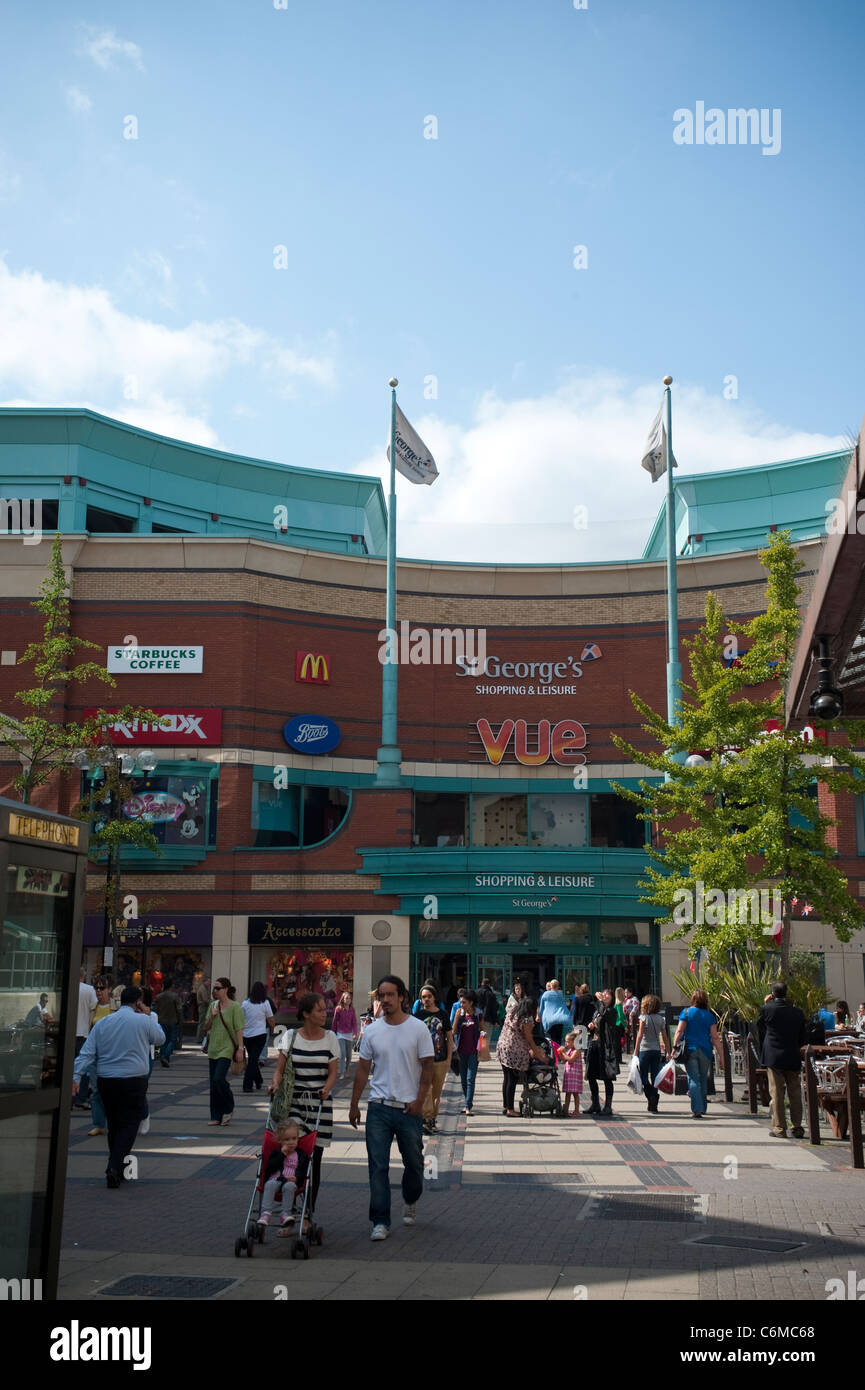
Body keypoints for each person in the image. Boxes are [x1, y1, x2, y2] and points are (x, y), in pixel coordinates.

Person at [348, 975, 434, 1241]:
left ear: (402, 998)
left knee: (414, 1163)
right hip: (379, 1107)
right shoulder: (372, 1030)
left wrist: (420, 1101)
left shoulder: (418, 1028)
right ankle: (380, 1221)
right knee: (378, 1167)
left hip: (409, 1108)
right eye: (380, 996)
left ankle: (410, 1197)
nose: (384, 1000)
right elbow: (363, 1070)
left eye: (389, 995)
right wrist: (354, 1105)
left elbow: (428, 1068)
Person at [72, 985, 165, 1188]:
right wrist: (149, 1015)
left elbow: (87, 1052)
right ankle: (114, 1167)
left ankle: (118, 1167)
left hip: (107, 1079)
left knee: (114, 1123)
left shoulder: (104, 1022)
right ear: (138, 1002)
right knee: (130, 1123)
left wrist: (76, 1076)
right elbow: (160, 1039)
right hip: (134, 1079)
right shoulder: (143, 1020)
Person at [268, 992, 338, 1221]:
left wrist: (327, 1089)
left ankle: (307, 1213)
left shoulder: (330, 1038)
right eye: (319, 1010)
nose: (324, 1013)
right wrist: (275, 1083)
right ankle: (288, 1209)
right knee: (292, 1155)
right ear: (306, 1014)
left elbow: (333, 1073)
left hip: (319, 1105)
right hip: (294, 1104)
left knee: (314, 1161)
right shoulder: (290, 1037)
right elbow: (280, 1069)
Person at [758, 982, 807, 1139]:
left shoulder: (767, 1009)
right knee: (795, 1093)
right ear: (786, 993)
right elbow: (803, 1037)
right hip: (792, 1056)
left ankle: (780, 1128)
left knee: (777, 1093)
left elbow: (759, 1026)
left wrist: (766, 1003)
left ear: (772, 994)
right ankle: (797, 1127)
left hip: (774, 1057)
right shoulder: (797, 1013)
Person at [673, 989, 725, 1119]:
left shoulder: (686, 1013)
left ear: (693, 999)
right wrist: (722, 1057)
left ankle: (697, 1109)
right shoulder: (709, 1016)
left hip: (690, 1049)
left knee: (693, 1079)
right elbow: (715, 1037)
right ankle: (703, 1107)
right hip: (706, 1050)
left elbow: (679, 1031)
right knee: (702, 1079)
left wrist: (674, 1047)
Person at [202, 977, 245, 1126]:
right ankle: (215, 1116)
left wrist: (240, 1048)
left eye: (218, 988)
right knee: (213, 1084)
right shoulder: (213, 1005)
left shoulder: (235, 1007)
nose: (215, 991)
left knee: (218, 1078)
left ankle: (229, 1106)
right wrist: (212, 1017)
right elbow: (206, 1028)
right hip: (213, 1047)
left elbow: (239, 1029)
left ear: (226, 989)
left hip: (227, 1048)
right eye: (214, 988)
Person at [496, 996, 548, 1116]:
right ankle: (510, 1109)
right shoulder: (526, 1019)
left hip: (503, 1046)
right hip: (514, 1050)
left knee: (507, 1077)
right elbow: (529, 1039)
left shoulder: (513, 1011)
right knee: (512, 1080)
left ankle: (506, 1106)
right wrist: (539, 1055)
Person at [257, 1120, 310, 1235]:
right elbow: (270, 1167)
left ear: (298, 1139)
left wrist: (297, 1178)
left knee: (290, 1186)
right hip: (276, 1180)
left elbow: (302, 1171)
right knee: (269, 1185)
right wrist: (282, 1155)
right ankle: (265, 1213)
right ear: (280, 1141)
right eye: (287, 1140)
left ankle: (285, 1213)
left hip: (290, 1182)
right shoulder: (276, 1153)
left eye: (294, 1138)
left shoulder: (301, 1155)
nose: (291, 1142)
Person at [416, 983, 452, 1134]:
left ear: (434, 997)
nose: (426, 1000)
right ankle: (426, 1118)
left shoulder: (443, 1015)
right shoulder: (417, 1017)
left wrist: (449, 1058)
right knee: (426, 1090)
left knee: (436, 1092)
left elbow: (449, 1038)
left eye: (429, 996)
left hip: (440, 1059)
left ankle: (432, 1118)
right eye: (423, 997)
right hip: (423, 1061)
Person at [584, 988, 620, 1115]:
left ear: (612, 999)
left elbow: (606, 1015)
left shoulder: (612, 1011)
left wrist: (599, 1001)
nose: (604, 996)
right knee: (591, 1076)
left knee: (607, 1077)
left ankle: (608, 1106)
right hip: (594, 1045)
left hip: (605, 1048)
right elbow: (597, 1020)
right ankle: (595, 1104)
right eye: (603, 994)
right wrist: (591, 1026)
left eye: (607, 995)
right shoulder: (597, 1012)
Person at [85, 978, 113, 1136]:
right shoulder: (92, 1007)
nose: (99, 991)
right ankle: (98, 1124)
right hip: (96, 1054)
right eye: (97, 988)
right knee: (96, 1091)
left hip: (112, 1054)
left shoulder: (116, 1008)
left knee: (111, 1090)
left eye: (102, 988)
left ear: (110, 989)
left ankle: (112, 1122)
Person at [633, 993, 669, 1114]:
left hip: (644, 1050)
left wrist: (635, 1050)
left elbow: (640, 1035)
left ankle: (651, 1096)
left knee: (643, 1076)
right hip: (656, 1051)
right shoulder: (661, 1019)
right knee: (655, 1077)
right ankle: (654, 1100)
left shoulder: (643, 1018)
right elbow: (664, 1036)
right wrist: (668, 1051)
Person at [452, 988, 483, 1115]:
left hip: (473, 1052)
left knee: (471, 1079)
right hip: (460, 1051)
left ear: (470, 1003)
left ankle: (468, 1105)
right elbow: (454, 1032)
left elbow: (482, 1031)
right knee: (463, 1079)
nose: (461, 1005)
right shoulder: (459, 1014)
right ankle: (466, 1102)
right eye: (460, 1002)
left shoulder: (478, 1014)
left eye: (464, 1002)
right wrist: (457, 1017)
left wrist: (482, 1046)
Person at [241, 981, 274, 1092]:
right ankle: (247, 1085)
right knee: (253, 1059)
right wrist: (273, 1027)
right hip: (260, 1034)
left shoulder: (245, 1003)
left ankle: (258, 1080)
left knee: (252, 1059)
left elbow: (241, 1018)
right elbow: (270, 1018)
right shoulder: (265, 1003)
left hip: (247, 1035)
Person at [74, 968, 98, 1109]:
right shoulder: (89, 990)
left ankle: (69, 1097)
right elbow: (94, 1009)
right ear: (84, 976)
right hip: (83, 1033)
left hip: (70, 1033)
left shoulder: (68, 987)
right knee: (83, 1067)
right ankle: (80, 1097)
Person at [152, 977, 183, 1068]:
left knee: (163, 1040)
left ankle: (163, 1056)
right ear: (171, 986)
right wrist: (180, 1020)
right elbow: (179, 1010)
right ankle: (166, 1056)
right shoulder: (175, 996)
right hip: (172, 1021)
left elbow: (155, 1009)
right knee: (172, 1040)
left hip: (161, 1021)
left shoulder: (158, 997)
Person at [332, 991, 358, 1080]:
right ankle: (342, 1073)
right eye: (346, 998)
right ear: (343, 999)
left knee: (349, 1055)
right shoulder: (338, 1009)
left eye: (349, 998)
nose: (348, 1000)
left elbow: (354, 1022)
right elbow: (334, 1021)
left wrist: (355, 1033)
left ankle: (347, 1070)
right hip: (340, 1034)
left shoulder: (352, 1009)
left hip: (349, 1034)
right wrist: (333, 1033)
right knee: (342, 1054)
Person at [539, 979, 572, 1046]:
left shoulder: (545, 994)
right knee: (558, 1039)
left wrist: (540, 1016)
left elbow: (541, 1007)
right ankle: (558, 1053)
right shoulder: (560, 994)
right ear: (557, 986)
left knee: (551, 1039)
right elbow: (564, 1005)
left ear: (551, 986)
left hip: (549, 1020)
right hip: (560, 1019)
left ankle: (553, 1054)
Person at [559, 1030, 584, 1117]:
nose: (566, 1043)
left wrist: (563, 1053)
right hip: (569, 1075)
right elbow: (563, 1059)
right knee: (568, 1093)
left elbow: (570, 1059)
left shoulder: (577, 1051)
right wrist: (560, 1054)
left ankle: (576, 1110)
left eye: (568, 1041)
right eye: (565, 1041)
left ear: (574, 1042)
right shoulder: (570, 1050)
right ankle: (566, 1109)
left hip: (574, 1075)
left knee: (575, 1094)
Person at [475, 978, 499, 1047]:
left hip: (476, 1018)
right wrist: (495, 1021)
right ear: (489, 984)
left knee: (479, 1037)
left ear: (481, 983)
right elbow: (493, 1009)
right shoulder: (490, 994)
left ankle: (478, 1054)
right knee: (485, 1038)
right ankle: (483, 1054)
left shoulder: (476, 992)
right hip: (487, 1019)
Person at [622, 986, 641, 1052]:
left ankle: (635, 1049)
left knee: (633, 1033)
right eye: (625, 992)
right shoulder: (625, 999)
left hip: (632, 1018)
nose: (626, 994)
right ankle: (626, 1048)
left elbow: (636, 1006)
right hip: (626, 1018)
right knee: (626, 1033)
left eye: (627, 992)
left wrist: (632, 1013)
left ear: (631, 992)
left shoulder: (634, 999)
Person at [195, 974, 212, 1043]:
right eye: (209, 981)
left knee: (202, 1023)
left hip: (204, 1007)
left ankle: (200, 1038)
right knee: (202, 1023)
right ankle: (199, 1039)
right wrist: (212, 1002)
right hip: (203, 1007)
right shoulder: (203, 988)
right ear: (205, 981)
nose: (210, 983)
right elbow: (205, 999)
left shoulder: (205, 988)